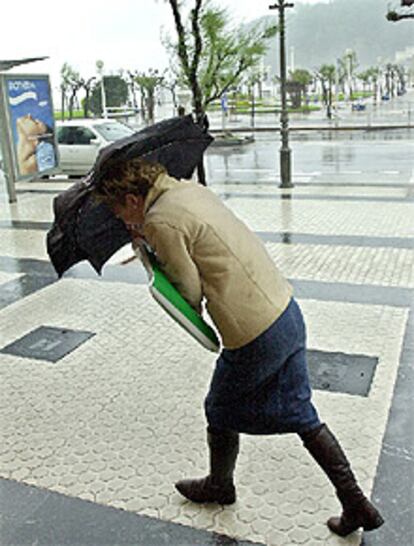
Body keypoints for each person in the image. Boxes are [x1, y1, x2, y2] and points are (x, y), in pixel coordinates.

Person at [93, 157, 384, 537]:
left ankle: (220, 484)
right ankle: (355, 502)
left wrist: (149, 255)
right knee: (303, 414)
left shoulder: (159, 220)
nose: (119, 219)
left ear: (132, 199)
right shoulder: (186, 190)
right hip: (284, 311)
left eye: (117, 210)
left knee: (220, 407)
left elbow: (188, 291)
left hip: (253, 331)